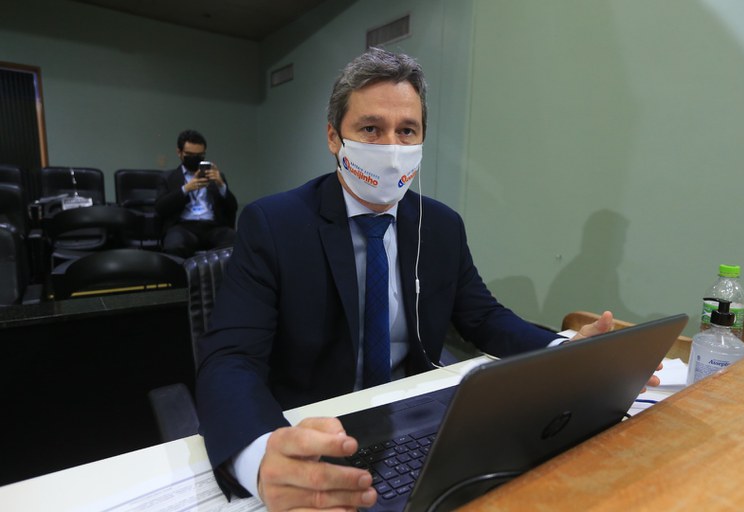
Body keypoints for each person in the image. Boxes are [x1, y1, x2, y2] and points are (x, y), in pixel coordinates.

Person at [196, 48, 642, 511]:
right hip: (316, 427)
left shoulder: (441, 225)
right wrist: (260, 455)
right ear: (334, 137)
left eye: (407, 130)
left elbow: (483, 316)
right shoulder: (274, 223)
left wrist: (563, 351)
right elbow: (230, 357)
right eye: (371, 129)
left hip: (413, 420)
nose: (392, 148)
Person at [155, 129, 238, 258]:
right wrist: (186, 189)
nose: (195, 158)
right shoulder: (167, 178)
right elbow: (160, 207)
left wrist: (221, 185)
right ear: (179, 152)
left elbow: (233, 207)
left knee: (236, 242)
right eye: (190, 154)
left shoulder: (216, 177)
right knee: (175, 245)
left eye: (199, 155)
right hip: (183, 227)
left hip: (213, 227)